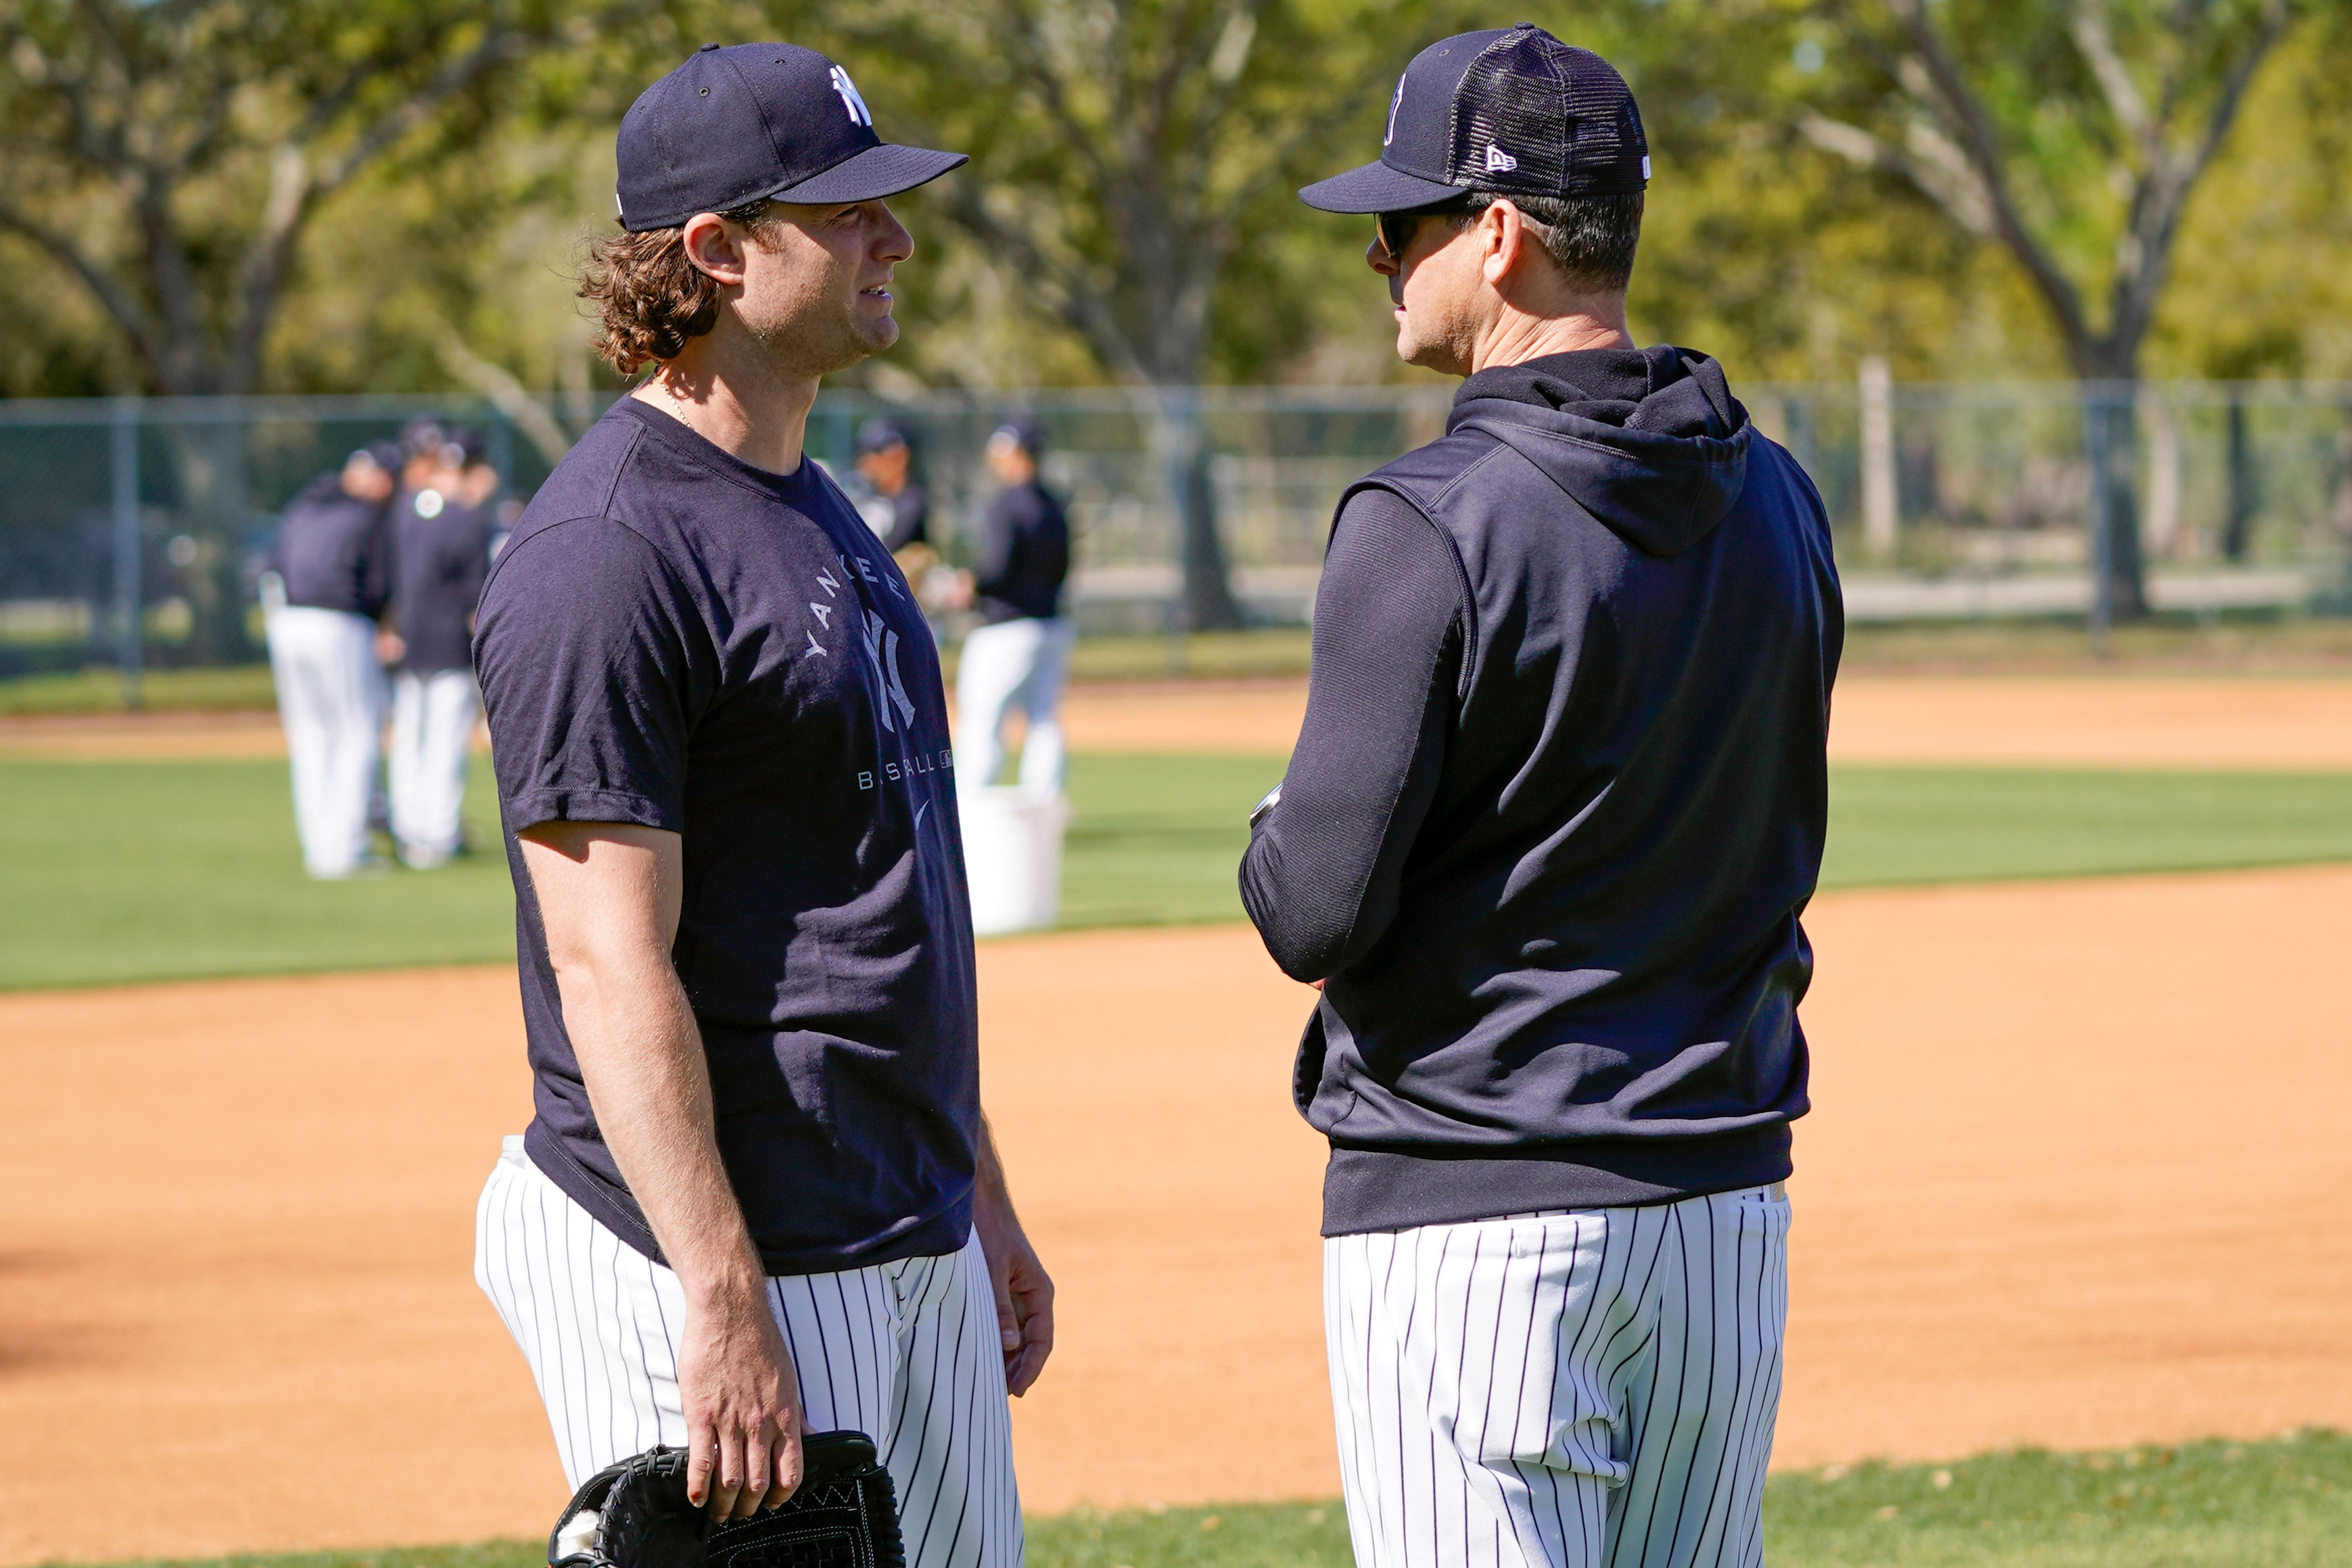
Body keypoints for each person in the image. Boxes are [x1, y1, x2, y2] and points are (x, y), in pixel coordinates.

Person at [1241, 26, 1841, 1568]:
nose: (1377, 258)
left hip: (1472, 1216)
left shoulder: (1423, 518)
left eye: (1401, 224)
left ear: (1494, 236)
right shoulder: (1775, 494)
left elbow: (1310, 906)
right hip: (1718, 1197)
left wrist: (1270, 825)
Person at [468, 42, 1048, 1563]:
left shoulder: (810, 503)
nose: (894, 238)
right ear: (717, 253)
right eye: (848, 210)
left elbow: (877, 886)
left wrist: (974, 1189)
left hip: (891, 1216)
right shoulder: (603, 553)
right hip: (729, 1247)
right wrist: (715, 1295)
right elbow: (606, 958)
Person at [262, 443, 397, 879]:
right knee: (358, 731)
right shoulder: (365, 516)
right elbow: (378, 580)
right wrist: (383, 624)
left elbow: (271, 567)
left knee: (311, 736)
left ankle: (320, 847)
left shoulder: (303, 508)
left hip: (287, 620)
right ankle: (347, 848)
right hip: (340, 622)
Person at [383, 426, 496, 868]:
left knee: (410, 737)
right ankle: (438, 833)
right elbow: (476, 594)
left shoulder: (407, 512)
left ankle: (410, 830)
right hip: (449, 643)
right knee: (444, 741)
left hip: (410, 639)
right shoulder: (468, 518)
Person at [953, 419, 1073, 796]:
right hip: (1052, 625)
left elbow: (995, 568)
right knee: (1043, 719)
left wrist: (967, 587)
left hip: (1005, 628)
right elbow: (1064, 566)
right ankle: (1045, 802)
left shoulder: (1006, 503)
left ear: (1016, 454)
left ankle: (971, 803)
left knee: (983, 719)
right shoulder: (1053, 505)